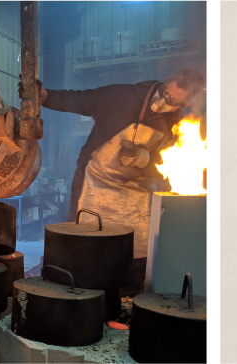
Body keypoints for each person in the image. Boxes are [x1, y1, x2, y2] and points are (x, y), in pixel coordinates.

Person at [24, 68, 204, 295]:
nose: (166, 104)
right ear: (166, 83)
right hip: (97, 183)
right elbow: (80, 100)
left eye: (176, 102)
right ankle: (82, 291)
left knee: (135, 251)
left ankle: (127, 296)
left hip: (137, 194)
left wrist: (144, 158)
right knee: (87, 244)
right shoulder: (121, 96)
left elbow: (168, 163)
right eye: (167, 94)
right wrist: (45, 97)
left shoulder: (177, 123)